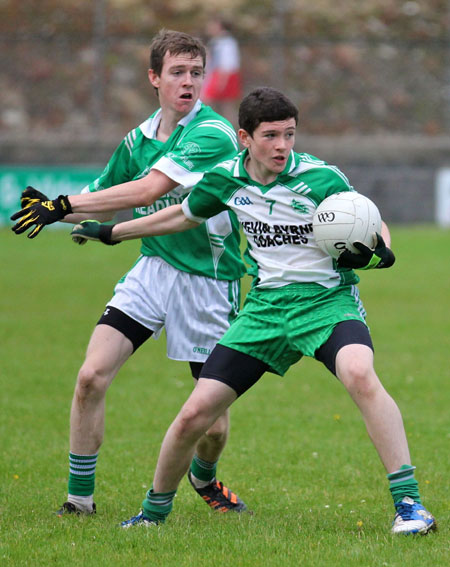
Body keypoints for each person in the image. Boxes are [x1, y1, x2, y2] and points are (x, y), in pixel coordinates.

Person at [69, 86, 436, 535]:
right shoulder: (227, 177)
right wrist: (113, 232)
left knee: (360, 374)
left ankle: (410, 506)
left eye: (290, 135)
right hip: (264, 311)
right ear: (245, 137)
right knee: (194, 416)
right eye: (271, 136)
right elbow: (183, 215)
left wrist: (380, 249)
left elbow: (369, 218)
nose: (282, 146)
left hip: (325, 303)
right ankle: (153, 513)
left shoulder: (321, 178)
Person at [10, 29, 248, 516]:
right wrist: (53, 210)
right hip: (153, 269)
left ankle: (204, 478)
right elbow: (102, 197)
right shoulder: (138, 139)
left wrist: (65, 204)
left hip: (208, 282)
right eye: (177, 72)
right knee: (91, 377)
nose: (188, 82)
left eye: (196, 73)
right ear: (154, 78)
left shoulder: (213, 133)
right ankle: (79, 501)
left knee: (213, 425)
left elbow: (144, 192)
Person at [201, 17, 241, 126]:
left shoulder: (226, 42)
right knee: (213, 103)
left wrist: (221, 81)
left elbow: (227, 64)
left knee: (224, 105)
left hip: (223, 75)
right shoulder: (216, 41)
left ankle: (226, 131)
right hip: (217, 74)